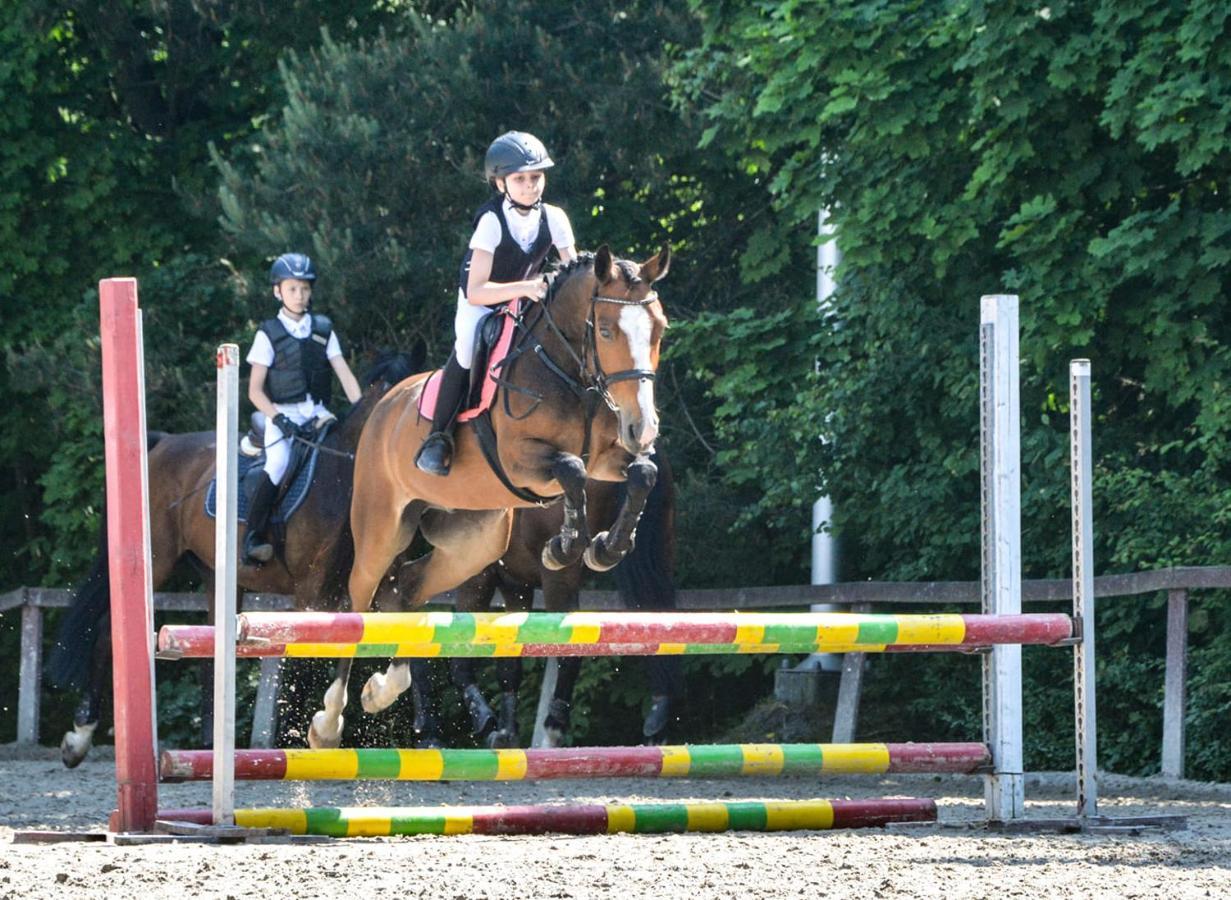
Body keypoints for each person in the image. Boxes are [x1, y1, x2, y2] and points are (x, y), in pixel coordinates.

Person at [415, 130, 578, 476]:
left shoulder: (555, 217)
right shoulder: (491, 221)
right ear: (501, 184)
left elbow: (571, 271)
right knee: (467, 347)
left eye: (536, 177)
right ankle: (438, 438)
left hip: (525, 298)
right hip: (482, 303)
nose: (531, 185)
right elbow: (476, 290)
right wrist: (525, 287)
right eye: (520, 179)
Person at [243, 252, 363, 563]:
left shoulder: (323, 328)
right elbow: (255, 391)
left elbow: (345, 376)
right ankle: (253, 537)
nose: (300, 296)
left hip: (318, 413)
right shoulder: (267, 334)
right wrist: (279, 419)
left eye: (305, 289)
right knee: (279, 462)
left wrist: (364, 411)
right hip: (281, 414)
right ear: (277, 291)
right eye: (292, 289)